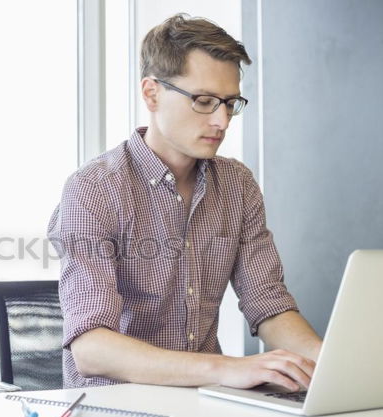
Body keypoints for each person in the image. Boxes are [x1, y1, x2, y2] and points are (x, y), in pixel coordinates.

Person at [47, 13, 322, 390]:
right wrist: (226, 368)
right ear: (151, 93)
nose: (222, 121)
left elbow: (268, 304)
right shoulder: (93, 189)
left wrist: (329, 366)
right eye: (205, 101)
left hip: (206, 412)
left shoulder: (237, 184)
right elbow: (92, 349)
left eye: (230, 103)